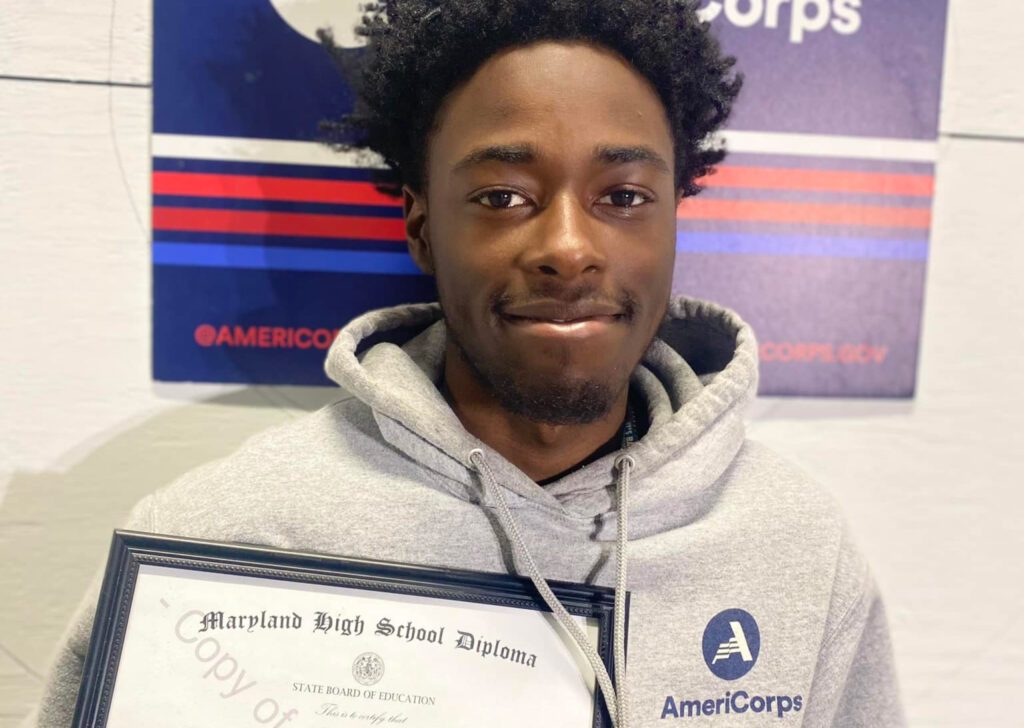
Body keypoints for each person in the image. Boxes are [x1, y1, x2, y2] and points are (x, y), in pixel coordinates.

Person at [30, 1, 903, 726]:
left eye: (624, 197)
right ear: (421, 226)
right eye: (503, 197)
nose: (567, 247)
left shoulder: (797, 552)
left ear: (674, 217)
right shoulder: (221, 539)